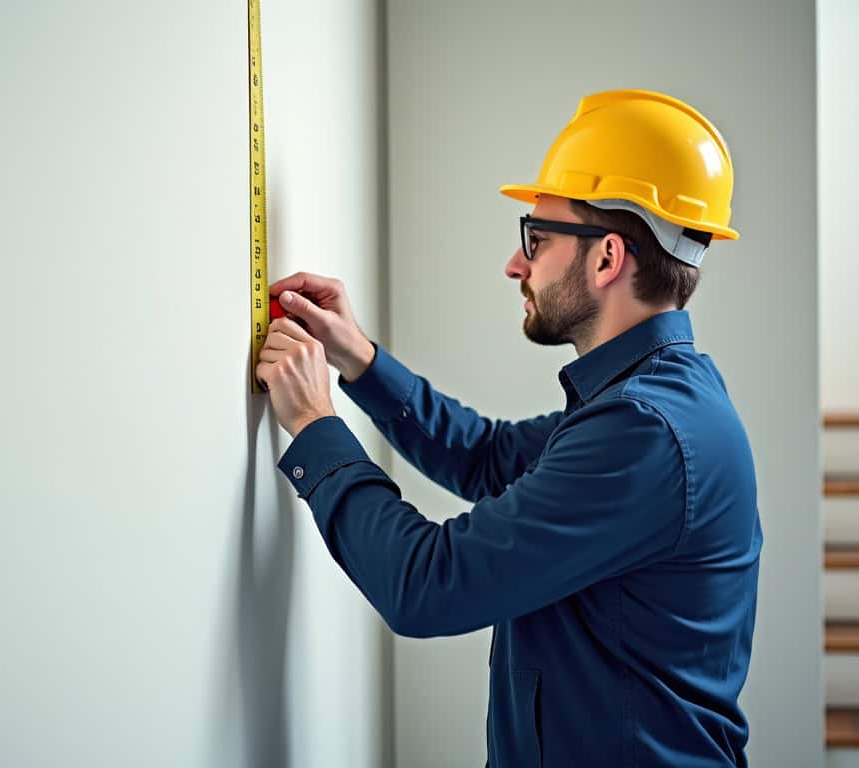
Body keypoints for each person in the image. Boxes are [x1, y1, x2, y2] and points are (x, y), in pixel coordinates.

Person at [254, 89, 761, 767]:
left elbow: (428, 587)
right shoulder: (654, 402)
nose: (515, 263)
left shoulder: (645, 431)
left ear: (608, 257)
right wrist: (360, 360)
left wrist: (316, 427)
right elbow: (490, 457)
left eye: (536, 238)